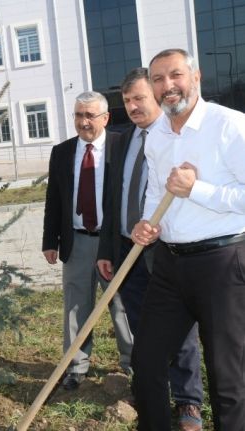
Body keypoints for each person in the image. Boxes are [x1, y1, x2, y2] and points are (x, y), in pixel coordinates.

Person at [131, 48, 245, 430]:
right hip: (169, 265)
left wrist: (197, 190)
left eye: (176, 75)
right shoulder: (157, 135)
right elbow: (153, 195)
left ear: (196, 77)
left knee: (228, 378)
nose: (168, 86)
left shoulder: (229, 125)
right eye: (159, 79)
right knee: (145, 363)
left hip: (223, 263)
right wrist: (146, 223)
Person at [97, 67, 203, 430]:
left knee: (181, 330)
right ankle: (152, 398)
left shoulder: (175, 138)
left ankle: (188, 402)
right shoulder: (121, 140)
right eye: (126, 101)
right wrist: (107, 249)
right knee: (142, 329)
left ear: (155, 96)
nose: (132, 106)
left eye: (139, 98)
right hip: (128, 250)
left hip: (166, 252)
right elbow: (113, 199)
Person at [42, 91, 133, 390]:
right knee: (75, 306)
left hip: (115, 242)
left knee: (120, 304)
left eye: (89, 115)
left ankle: (132, 363)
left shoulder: (123, 146)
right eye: (78, 115)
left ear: (105, 118)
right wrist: (49, 240)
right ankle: (76, 365)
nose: (83, 122)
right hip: (77, 241)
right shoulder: (63, 152)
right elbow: (53, 199)